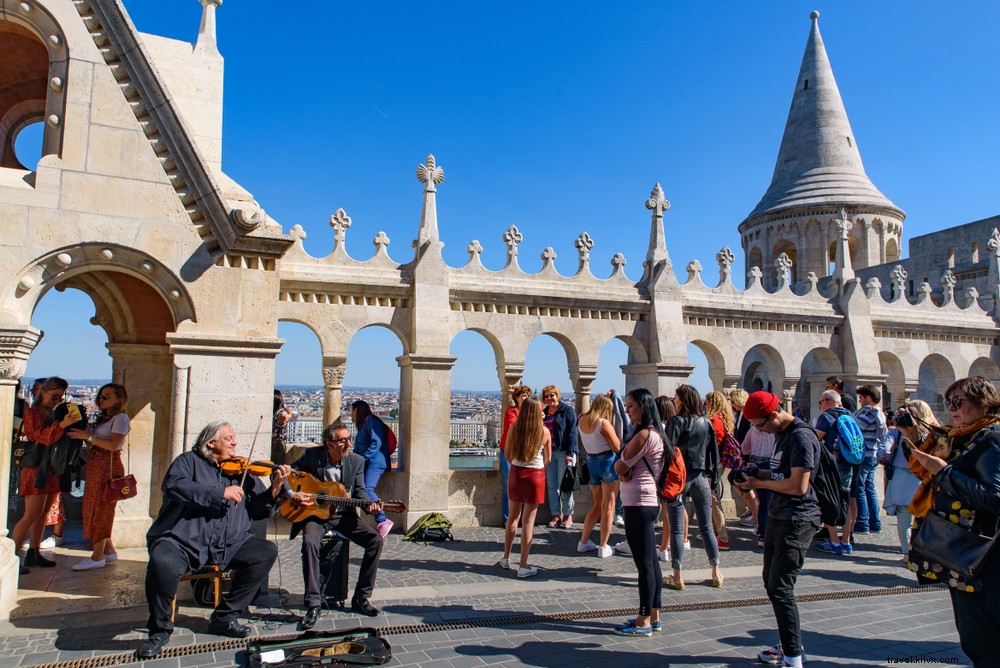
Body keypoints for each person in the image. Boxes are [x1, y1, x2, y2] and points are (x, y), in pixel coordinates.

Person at [139, 421, 292, 659]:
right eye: (229, 438)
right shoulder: (188, 462)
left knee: (265, 552)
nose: (235, 443)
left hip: (229, 543)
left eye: (234, 438)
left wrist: (275, 488)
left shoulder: (242, 472)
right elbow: (174, 486)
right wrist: (219, 493)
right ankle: (159, 630)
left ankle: (225, 616)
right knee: (162, 562)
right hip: (185, 540)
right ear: (210, 443)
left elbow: (258, 509)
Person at [908, 376, 1000, 667]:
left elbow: (995, 497)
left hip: (982, 556)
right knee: (973, 637)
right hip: (963, 554)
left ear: (983, 402)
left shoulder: (992, 439)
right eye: (949, 402)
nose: (951, 409)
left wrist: (943, 472)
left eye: (958, 402)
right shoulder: (961, 436)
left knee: (983, 638)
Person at [736, 392, 822, 668]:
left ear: (773, 414)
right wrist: (758, 474)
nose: (760, 431)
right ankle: (789, 644)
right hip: (778, 515)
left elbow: (798, 486)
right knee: (771, 582)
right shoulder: (782, 434)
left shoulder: (800, 436)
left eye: (760, 426)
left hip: (797, 519)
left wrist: (759, 485)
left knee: (780, 586)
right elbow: (782, 473)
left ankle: (793, 657)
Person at [287, 421, 384, 629]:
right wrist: (294, 494)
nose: (348, 444)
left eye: (349, 439)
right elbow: (287, 473)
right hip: (315, 515)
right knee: (309, 543)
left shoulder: (356, 461)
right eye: (343, 441)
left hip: (342, 515)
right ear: (329, 444)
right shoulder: (312, 456)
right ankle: (314, 603)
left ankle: (361, 597)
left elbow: (359, 491)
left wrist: (370, 506)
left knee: (375, 541)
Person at [611, 388, 666, 637]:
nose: (628, 410)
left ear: (643, 407)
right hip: (648, 500)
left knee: (644, 564)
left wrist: (621, 468)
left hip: (638, 502)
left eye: (631, 405)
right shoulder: (657, 433)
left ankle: (643, 620)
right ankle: (654, 615)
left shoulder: (644, 435)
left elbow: (620, 466)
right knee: (651, 561)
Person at [11, 377, 76, 574]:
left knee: (42, 514)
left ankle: (34, 551)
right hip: (36, 469)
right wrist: (61, 425)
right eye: (54, 396)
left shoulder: (53, 413)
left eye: (60, 397)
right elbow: (41, 437)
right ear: (44, 393)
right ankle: (11, 557)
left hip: (50, 469)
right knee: (31, 514)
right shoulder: (32, 413)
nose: (57, 400)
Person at [663, 385, 723, 590]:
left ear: (683, 400)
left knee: (677, 529)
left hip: (680, 477)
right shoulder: (706, 422)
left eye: (676, 397)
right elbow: (713, 453)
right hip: (701, 476)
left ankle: (677, 575)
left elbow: (668, 450)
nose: (674, 400)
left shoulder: (676, 421)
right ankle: (716, 571)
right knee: (706, 527)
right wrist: (714, 478)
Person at [67, 383, 130, 571]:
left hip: (107, 467)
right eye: (100, 396)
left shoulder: (121, 418)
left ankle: (97, 556)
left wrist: (88, 437)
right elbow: (95, 441)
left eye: (106, 396)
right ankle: (108, 551)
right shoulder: (105, 419)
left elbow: (113, 445)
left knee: (101, 509)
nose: (101, 399)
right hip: (97, 465)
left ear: (118, 399)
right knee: (96, 506)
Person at [499, 398, 551, 578]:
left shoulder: (515, 428)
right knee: (528, 521)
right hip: (535, 475)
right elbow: (548, 458)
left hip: (516, 472)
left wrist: (518, 463)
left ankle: (506, 557)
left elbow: (507, 453)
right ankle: (523, 565)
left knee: (512, 517)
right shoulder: (544, 431)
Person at [879, 400, 935, 561]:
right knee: (924, 518)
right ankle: (924, 552)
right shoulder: (931, 434)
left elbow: (883, 451)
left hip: (901, 478)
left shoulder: (896, 433)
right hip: (922, 479)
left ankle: (907, 553)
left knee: (904, 518)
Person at [813, 390, 860, 555]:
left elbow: (815, 440)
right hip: (848, 463)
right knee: (845, 500)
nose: (820, 406)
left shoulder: (826, 417)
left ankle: (834, 541)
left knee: (829, 501)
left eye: (820, 402)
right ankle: (846, 541)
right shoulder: (850, 415)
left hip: (831, 466)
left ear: (826, 401)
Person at [576, 394, 621, 558]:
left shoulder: (581, 419)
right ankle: (603, 546)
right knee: (608, 506)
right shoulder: (603, 423)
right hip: (607, 462)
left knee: (596, 505)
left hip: (591, 462)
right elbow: (617, 446)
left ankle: (583, 541)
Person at [351, 400, 394, 537]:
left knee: (366, 489)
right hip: (370, 462)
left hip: (375, 462)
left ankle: (382, 519)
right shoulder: (365, 424)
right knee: (358, 489)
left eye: (351, 411)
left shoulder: (370, 421)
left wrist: (362, 459)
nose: (350, 414)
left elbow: (376, 443)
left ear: (357, 410)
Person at [541, 385, 578, 528]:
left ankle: (568, 515)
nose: (549, 398)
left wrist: (570, 453)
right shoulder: (544, 413)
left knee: (565, 485)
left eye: (552, 395)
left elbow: (573, 433)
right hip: (549, 453)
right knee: (552, 485)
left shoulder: (567, 411)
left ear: (558, 395)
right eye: (546, 396)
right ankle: (555, 514)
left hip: (563, 453)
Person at [853, 385, 887, 535]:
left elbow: (856, 427)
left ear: (868, 398)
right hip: (872, 454)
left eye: (861, 398)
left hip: (865, 455)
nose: (859, 401)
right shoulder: (879, 413)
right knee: (869, 487)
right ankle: (875, 523)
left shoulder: (869, 413)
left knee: (859, 487)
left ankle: (862, 522)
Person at [704, 391, 733, 550]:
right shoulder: (723, 419)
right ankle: (715, 533)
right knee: (712, 499)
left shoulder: (714, 421)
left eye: (707, 402)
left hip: (712, 464)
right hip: (718, 463)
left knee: (714, 500)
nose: (705, 405)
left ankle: (723, 537)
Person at [499, 386, 532, 523]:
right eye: (523, 395)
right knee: (510, 484)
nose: (526, 397)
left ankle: (522, 518)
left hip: (524, 453)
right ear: (516, 398)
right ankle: (509, 518)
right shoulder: (511, 412)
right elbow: (513, 430)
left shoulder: (532, 412)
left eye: (527, 395)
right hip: (510, 452)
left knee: (523, 485)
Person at [271, 390, 293, 465]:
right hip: (278, 443)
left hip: (276, 444)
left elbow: (284, 416)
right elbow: (288, 415)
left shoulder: (277, 413)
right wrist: (288, 412)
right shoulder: (279, 412)